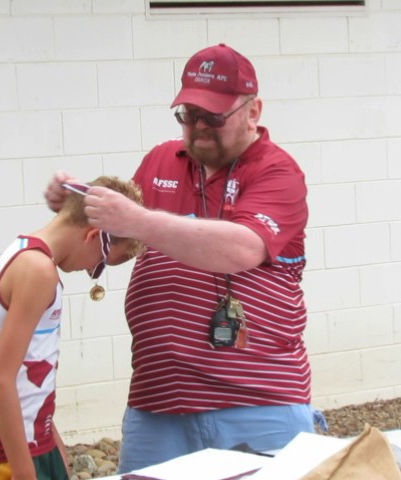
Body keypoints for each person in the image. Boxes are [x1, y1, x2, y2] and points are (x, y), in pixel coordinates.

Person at [44, 43, 313, 473]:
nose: (200, 127)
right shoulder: (160, 160)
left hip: (258, 403)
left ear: (253, 111)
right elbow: (118, 246)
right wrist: (73, 214)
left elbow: (241, 247)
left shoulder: (277, 172)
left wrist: (137, 220)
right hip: (158, 406)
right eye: (190, 115)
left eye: (214, 116)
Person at [0, 176, 144, 480]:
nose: (90, 271)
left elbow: (30, 372)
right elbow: (0, 379)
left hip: (32, 441)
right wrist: (24, 471)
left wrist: (52, 440)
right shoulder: (36, 270)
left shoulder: (30, 259)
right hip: (2, 450)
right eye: (99, 264)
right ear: (92, 235)